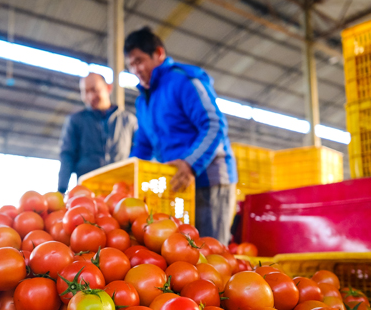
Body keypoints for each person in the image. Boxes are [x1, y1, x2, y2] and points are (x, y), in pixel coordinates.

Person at [124, 27, 237, 244]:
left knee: (210, 251)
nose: (136, 69)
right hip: (180, 184)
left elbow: (214, 124)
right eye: (131, 65)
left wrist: (190, 163)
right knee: (185, 251)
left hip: (208, 179)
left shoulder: (183, 81)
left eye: (140, 60)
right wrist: (127, 174)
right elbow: (143, 144)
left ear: (159, 54)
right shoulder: (143, 101)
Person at [57, 73, 138, 194]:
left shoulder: (129, 121)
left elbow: (140, 152)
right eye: (85, 92)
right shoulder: (75, 121)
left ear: (108, 88)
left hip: (122, 190)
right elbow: (67, 156)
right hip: (88, 191)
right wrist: (61, 190)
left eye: (94, 90)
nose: (90, 96)